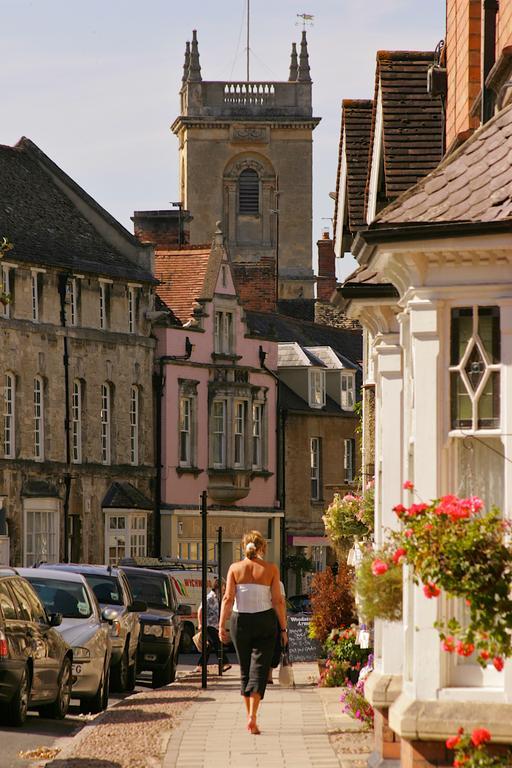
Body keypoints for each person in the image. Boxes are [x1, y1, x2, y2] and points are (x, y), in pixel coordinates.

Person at [219, 530, 287, 735]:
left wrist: (221, 625)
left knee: (244, 670)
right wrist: (283, 628)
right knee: (259, 669)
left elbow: (227, 598)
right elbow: (278, 601)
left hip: (240, 622)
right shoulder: (271, 569)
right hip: (265, 620)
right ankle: (253, 717)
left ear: (243, 547)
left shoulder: (234, 568)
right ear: (262, 548)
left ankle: (249, 715)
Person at [195, 577, 231, 673]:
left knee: (208, 647)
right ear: (218, 586)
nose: (225, 588)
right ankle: (224, 663)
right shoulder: (209, 597)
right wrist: (200, 623)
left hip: (215, 626)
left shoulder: (218, 598)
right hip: (208, 625)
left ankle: (200, 666)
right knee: (217, 643)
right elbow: (200, 610)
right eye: (224, 586)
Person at [268, 580, 287, 684]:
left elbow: (282, 603)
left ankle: (268, 674)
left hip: (264, 616)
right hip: (275, 617)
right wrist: (284, 622)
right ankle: (269, 675)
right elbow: (282, 603)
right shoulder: (279, 584)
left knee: (269, 647)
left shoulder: (278, 583)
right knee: (275, 647)